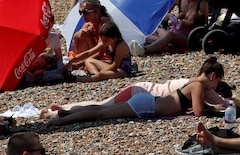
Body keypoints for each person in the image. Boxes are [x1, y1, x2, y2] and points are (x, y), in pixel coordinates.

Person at [48, 60, 226, 126]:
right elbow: (198, 112)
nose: (215, 86)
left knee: (100, 109)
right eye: (217, 81)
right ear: (212, 76)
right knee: (100, 114)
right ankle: (62, 119)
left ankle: (69, 112)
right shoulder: (198, 86)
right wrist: (215, 109)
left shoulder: (194, 82)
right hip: (146, 105)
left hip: (148, 101)